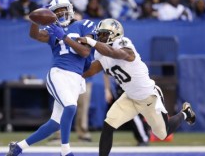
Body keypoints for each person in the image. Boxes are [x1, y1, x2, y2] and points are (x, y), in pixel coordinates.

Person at [77, 18, 196, 156]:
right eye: (99, 35)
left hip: (148, 96)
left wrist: (91, 42)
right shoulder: (100, 52)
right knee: (108, 125)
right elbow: (91, 70)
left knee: (163, 133)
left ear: (115, 34)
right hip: (129, 96)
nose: (100, 38)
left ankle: (186, 113)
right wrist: (70, 74)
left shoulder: (123, 43)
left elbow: (117, 54)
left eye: (104, 34)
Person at [5, 0, 96, 156]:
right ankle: (65, 151)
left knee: (54, 124)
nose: (60, 13)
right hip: (59, 74)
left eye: (63, 9)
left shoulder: (84, 25)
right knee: (71, 107)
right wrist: (35, 19)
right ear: (52, 14)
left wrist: (64, 37)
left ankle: (18, 147)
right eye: (57, 11)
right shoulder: (52, 29)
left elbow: (85, 52)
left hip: (76, 78)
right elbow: (35, 35)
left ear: (70, 9)